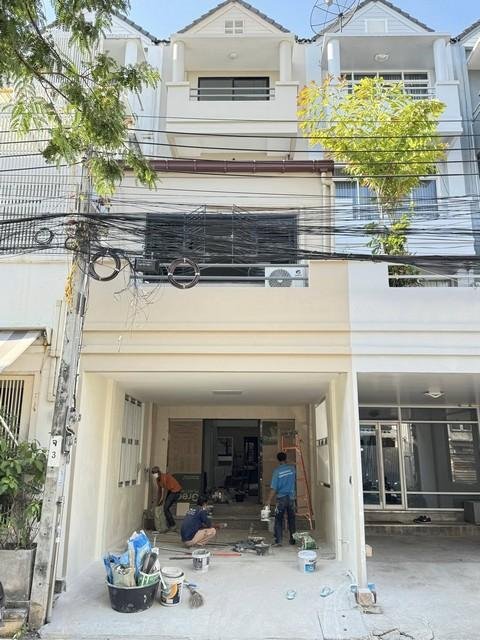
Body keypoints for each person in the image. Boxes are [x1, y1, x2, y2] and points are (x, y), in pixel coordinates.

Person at [266, 451, 296, 546]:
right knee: (291, 519)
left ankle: (278, 541)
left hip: (281, 498)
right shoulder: (292, 469)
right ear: (285, 458)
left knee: (278, 519)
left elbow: (274, 488)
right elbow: (293, 464)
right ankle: (293, 539)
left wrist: (268, 500)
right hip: (291, 498)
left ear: (278, 460)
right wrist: (289, 462)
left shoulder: (277, 471)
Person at [151, 466, 182, 532]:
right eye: (153, 473)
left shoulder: (164, 477)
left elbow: (165, 490)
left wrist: (163, 501)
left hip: (176, 491)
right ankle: (167, 525)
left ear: (158, 472)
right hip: (170, 490)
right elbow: (159, 491)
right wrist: (157, 502)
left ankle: (173, 526)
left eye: (155, 473)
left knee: (165, 508)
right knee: (164, 507)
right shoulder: (157, 479)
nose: (154, 475)